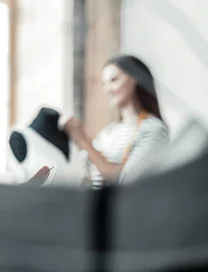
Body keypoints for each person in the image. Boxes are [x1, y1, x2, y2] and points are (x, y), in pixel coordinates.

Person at [63, 55, 170, 188]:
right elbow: (84, 174)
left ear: (134, 79)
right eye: (104, 84)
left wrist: (83, 140)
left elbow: (127, 180)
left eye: (113, 80)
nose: (107, 90)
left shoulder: (154, 129)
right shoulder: (108, 133)